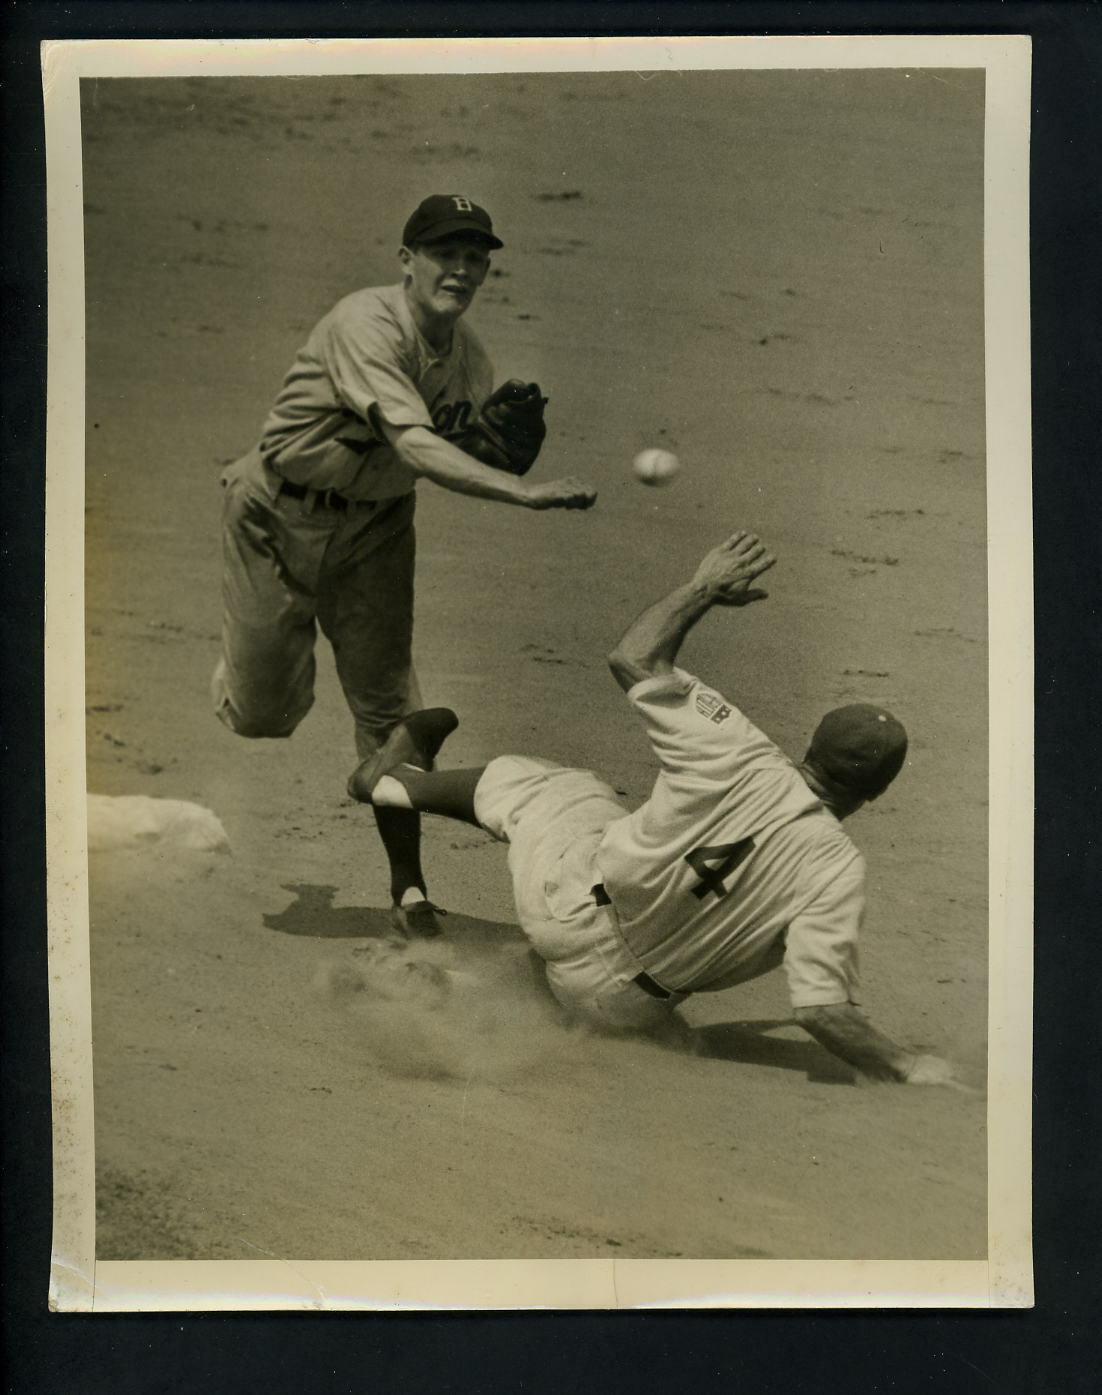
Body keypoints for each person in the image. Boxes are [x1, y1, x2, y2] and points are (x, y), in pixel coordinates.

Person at [347, 531, 961, 1086]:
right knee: (589, 985)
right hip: (620, 1003)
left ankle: (394, 782)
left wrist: (704, 589)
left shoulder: (739, 750)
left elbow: (634, 656)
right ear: (876, 793)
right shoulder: (837, 873)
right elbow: (822, 1011)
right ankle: (457, 991)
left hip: (564, 905)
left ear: (811, 745)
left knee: (560, 790)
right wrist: (909, 1067)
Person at [212, 194, 597, 937]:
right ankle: (243, 656)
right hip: (275, 515)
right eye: (444, 253)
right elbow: (418, 446)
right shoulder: (367, 325)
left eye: (474, 256)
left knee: (392, 717)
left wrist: (498, 449)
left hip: (378, 533)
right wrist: (522, 490)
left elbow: (456, 454)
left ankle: (409, 892)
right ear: (407, 262)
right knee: (264, 714)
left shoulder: (471, 361)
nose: (460, 268)